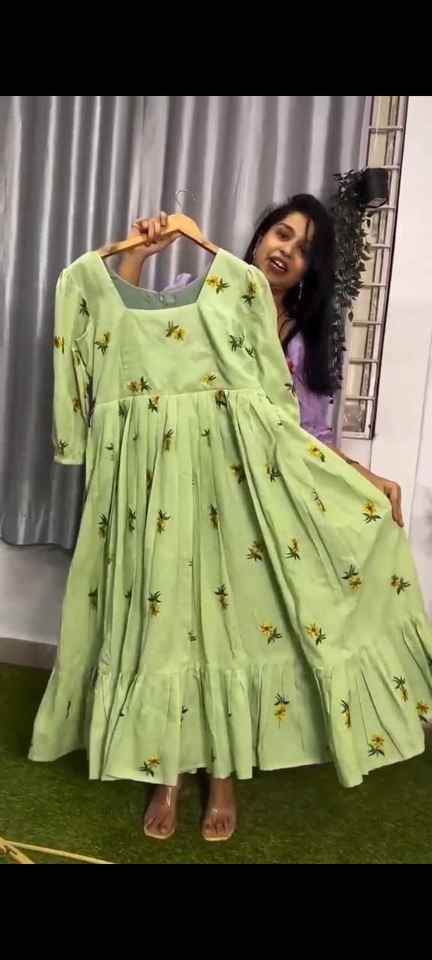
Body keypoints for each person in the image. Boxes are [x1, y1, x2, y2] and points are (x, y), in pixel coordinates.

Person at [101, 197, 409, 842]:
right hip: (179, 489)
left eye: (302, 249)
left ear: (310, 270)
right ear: (260, 235)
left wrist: (366, 479)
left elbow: (309, 436)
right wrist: (135, 258)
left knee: (236, 635)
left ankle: (223, 777)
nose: (285, 251)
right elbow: (126, 341)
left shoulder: (303, 340)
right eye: (281, 233)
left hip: (256, 510)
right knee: (173, 624)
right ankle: (168, 772)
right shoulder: (196, 291)